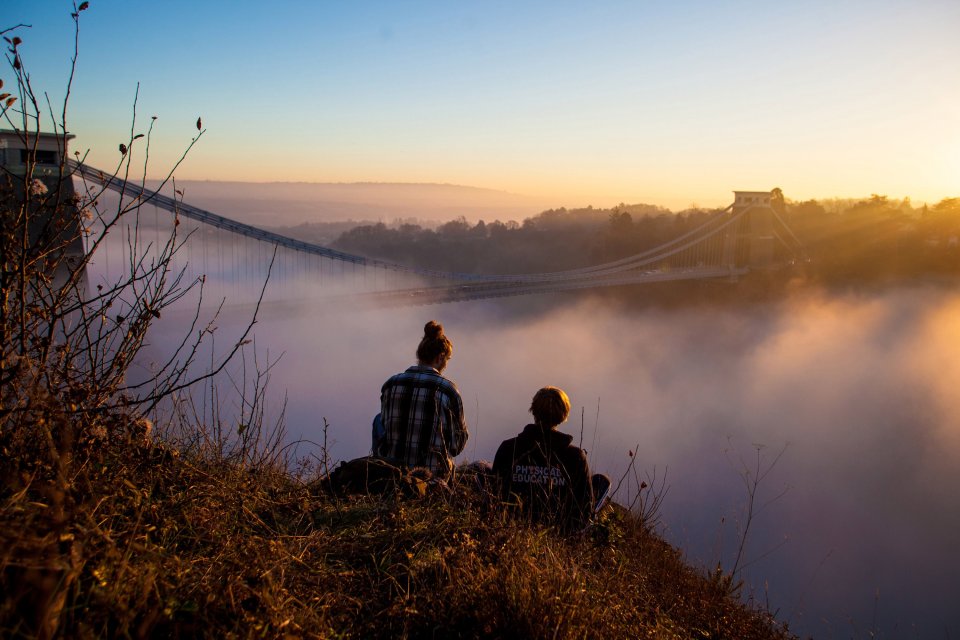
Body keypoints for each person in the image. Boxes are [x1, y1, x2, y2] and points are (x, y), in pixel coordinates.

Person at [493, 387, 607, 531]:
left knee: (481, 467)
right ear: (564, 414)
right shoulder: (575, 456)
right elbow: (584, 506)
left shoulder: (509, 447)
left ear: (533, 410)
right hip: (561, 530)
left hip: (511, 525)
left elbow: (495, 491)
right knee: (603, 482)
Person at [378, 321, 468, 479]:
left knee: (377, 421)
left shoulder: (391, 384)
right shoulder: (448, 390)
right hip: (431, 479)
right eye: (448, 359)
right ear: (440, 357)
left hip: (393, 477)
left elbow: (384, 427)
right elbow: (456, 446)